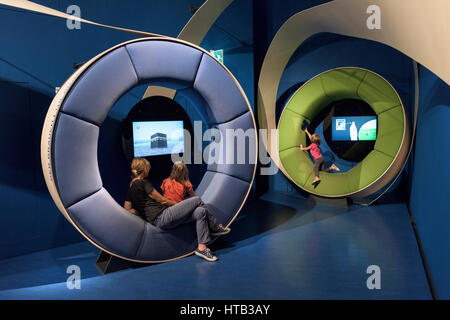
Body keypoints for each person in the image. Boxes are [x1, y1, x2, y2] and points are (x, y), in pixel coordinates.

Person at [123, 158, 218, 262]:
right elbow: (162, 200)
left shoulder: (130, 188)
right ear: (144, 169)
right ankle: (215, 226)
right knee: (197, 200)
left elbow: (127, 209)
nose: (149, 170)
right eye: (148, 168)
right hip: (163, 215)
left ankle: (202, 248)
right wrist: (179, 205)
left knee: (201, 212)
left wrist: (141, 211)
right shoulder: (143, 183)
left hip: (161, 221)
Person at [161, 161, 230, 236]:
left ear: (173, 170)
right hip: (178, 211)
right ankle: (214, 226)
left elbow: (165, 196)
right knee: (198, 202)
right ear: (185, 171)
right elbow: (193, 198)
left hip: (167, 211)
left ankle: (213, 226)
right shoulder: (186, 183)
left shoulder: (165, 181)